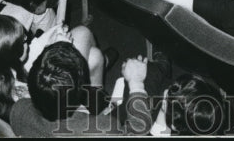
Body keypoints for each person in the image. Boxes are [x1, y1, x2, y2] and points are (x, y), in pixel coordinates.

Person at [0, 14, 105, 120]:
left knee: (95, 57)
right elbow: (53, 93)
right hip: (59, 110)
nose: (27, 39)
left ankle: (97, 99)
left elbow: (34, 49)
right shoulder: (18, 96)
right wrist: (60, 50)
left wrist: (53, 38)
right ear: (13, 57)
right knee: (84, 35)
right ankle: (96, 107)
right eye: (23, 40)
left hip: (43, 93)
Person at [11, 44, 155, 135]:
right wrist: (136, 83)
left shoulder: (18, 109)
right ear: (82, 91)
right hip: (91, 122)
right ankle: (161, 65)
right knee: (152, 78)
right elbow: (139, 129)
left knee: (94, 55)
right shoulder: (105, 128)